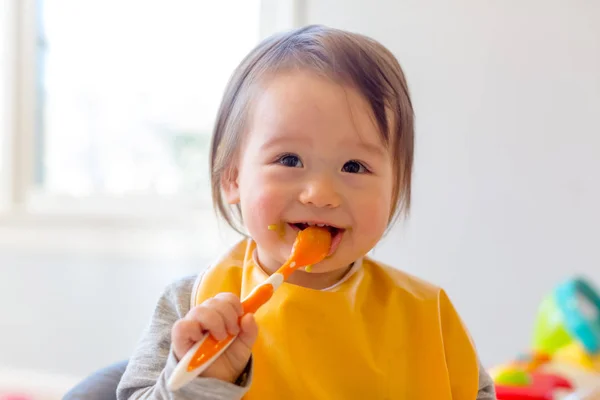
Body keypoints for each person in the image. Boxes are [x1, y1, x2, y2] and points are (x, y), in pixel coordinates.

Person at [116, 25, 497, 399]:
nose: (320, 194)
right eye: (289, 159)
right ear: (233, 177)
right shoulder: (193, 306)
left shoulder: (429, 316)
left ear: (395, 188)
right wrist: (202, 382)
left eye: (353, 167)